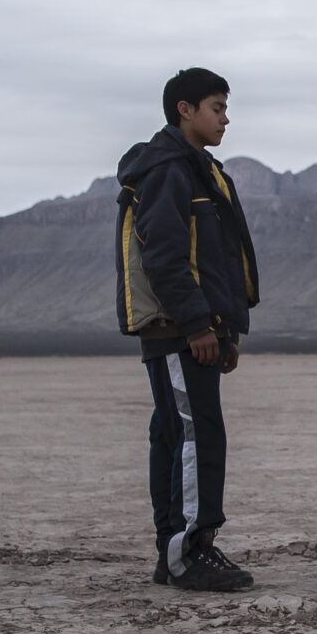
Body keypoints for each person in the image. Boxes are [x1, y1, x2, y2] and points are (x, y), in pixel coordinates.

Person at [115, 67, 260, 594]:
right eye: (217, 107)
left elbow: (217, 261)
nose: (225, 118)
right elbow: (167, 259)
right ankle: (190, 553)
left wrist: (226, 329)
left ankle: (173, 552)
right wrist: (198, 325)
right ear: (185, 109)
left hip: (197, 328)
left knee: (178, 435)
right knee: (195, 436)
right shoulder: (168, 171)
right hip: (178, 330)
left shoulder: (199, 170)